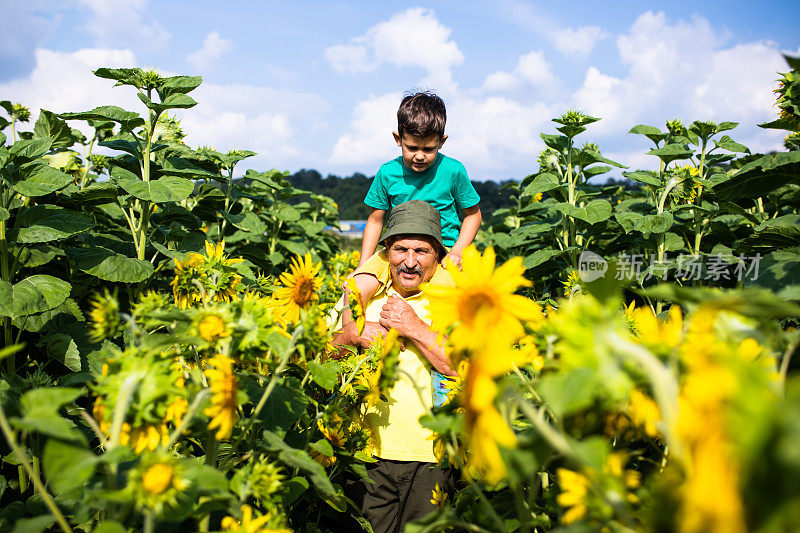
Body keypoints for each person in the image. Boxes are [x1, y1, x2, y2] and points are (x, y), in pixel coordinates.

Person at [333, 200, 459, 533]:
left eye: (422, 251)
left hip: (432, 459)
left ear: (439, 255)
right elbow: (322, 360)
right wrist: (353, 334)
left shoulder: (454, 299)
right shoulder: (361, 297)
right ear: (387, 251)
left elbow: (468, 369)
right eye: (401, 249)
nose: (410, 261)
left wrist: (414, 328)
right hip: (365, 456)